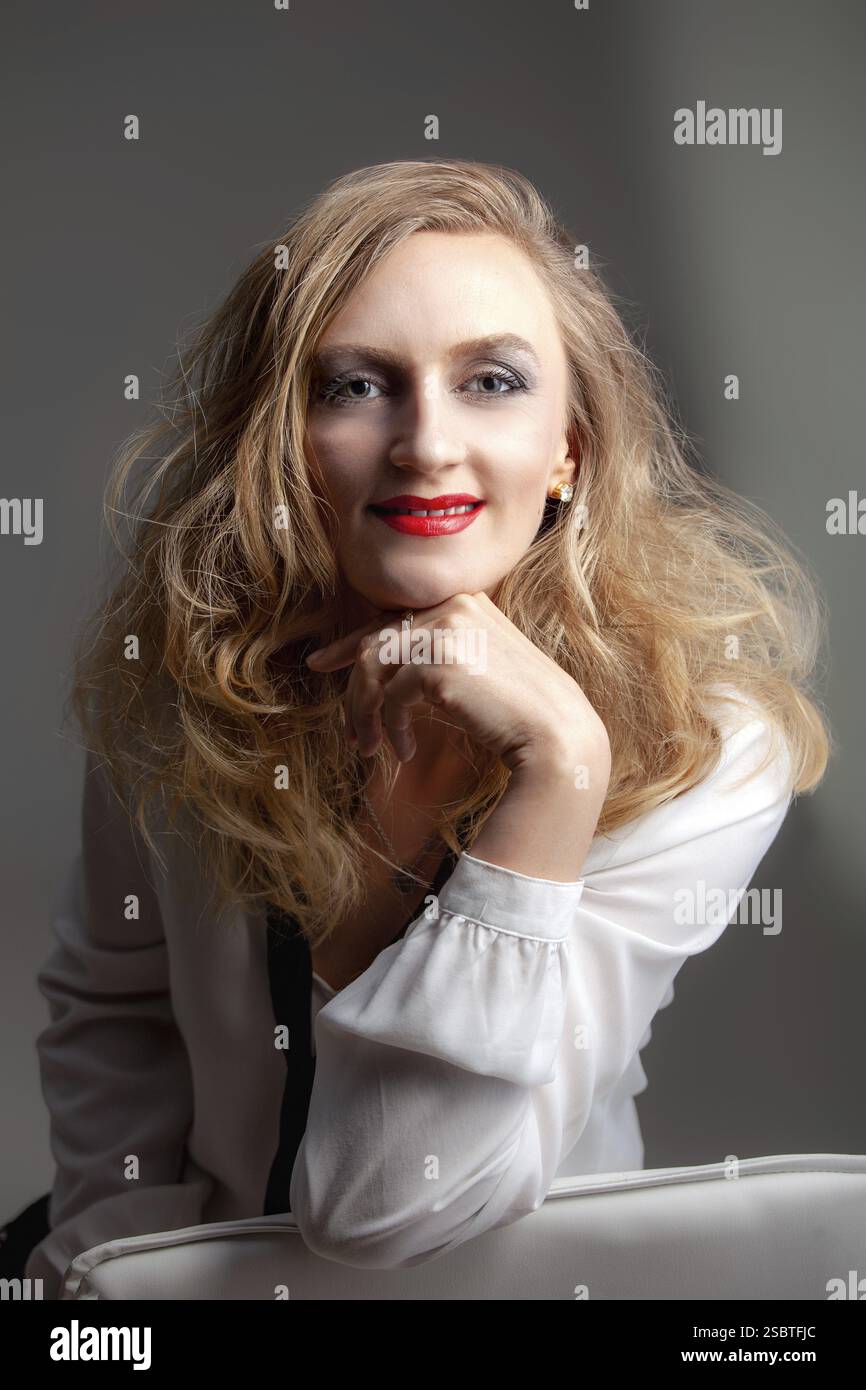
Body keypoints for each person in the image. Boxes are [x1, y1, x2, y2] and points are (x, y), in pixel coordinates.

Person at [17, 159, 828, 1298]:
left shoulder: (701, 736)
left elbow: (386, 1204)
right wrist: (127, 1251)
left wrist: (559, 769)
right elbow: (116, 1003)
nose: (424, 444)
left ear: (568, 450)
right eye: (354, 386)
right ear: (279, 439)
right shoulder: (179, 691)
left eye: (490, 381)